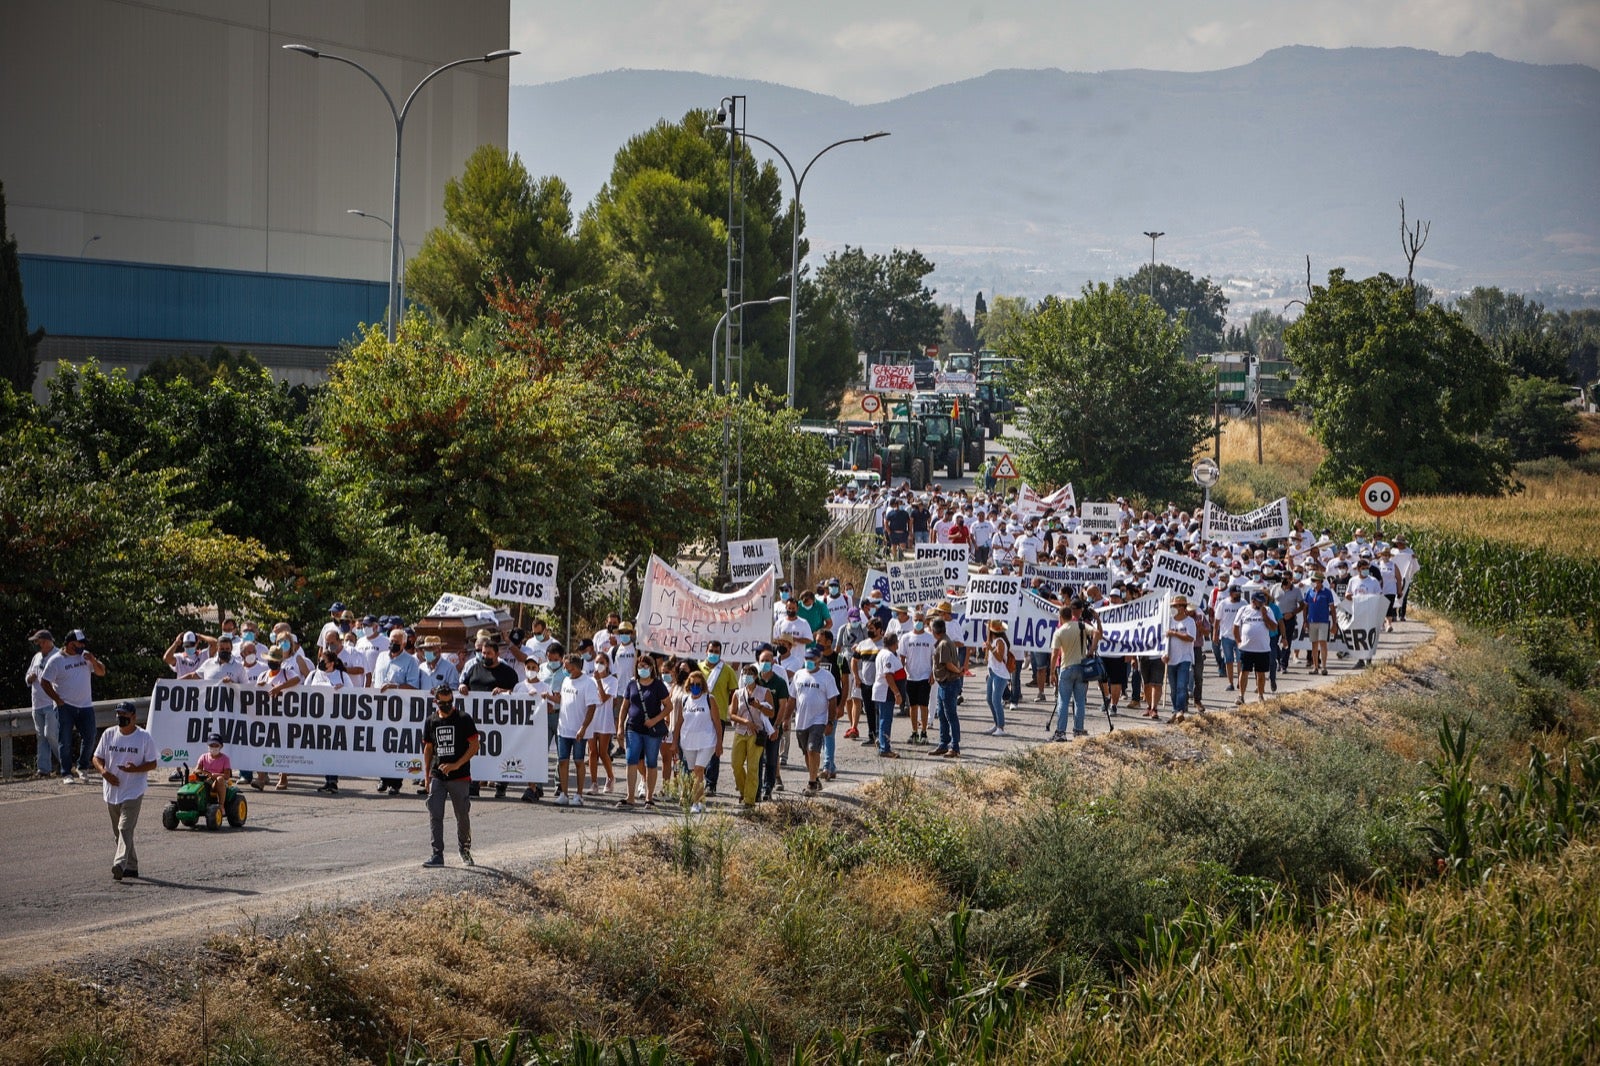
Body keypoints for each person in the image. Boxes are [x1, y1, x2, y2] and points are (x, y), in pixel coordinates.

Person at [93, 702, 158, 881]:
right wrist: (104, 772)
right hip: (112, 790)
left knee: (124, 827)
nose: (120, 718)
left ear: (133, 717)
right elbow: (96, 758)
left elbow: (153, 763)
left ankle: (119, 863)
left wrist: (135, 769)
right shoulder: (109, 734)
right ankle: (131, 867)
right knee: (120, 833)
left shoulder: (143, 737)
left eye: (124, 715)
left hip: (133, 790)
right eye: (118, 714)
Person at [422, 686, 479, 868]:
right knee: (435, 813)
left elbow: (474, 745)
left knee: (462, 815)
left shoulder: (463, 719)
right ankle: (437, 854)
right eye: (442, 703)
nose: (446, 706)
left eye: (449, 702)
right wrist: (427, 776)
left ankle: (464, 849)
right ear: (435, 702)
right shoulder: (431, 721)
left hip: (459, 776)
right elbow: (428, 748)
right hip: (438, 775)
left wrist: (456, 765)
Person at [41, 629, 105, 783]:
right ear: (70, 644)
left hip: (85, 705)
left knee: (90, 736)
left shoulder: (85, 656)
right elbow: (44, 682)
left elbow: (101, 672)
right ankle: (66, 773)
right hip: (65, 706)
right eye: (80, 643)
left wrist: (93, 660)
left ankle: (82, 767)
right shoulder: (56, 660)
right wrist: (57, 700)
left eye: (83, 643)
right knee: (65, 740)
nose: (83, 646)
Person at [620, 657, 671, 808]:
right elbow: (624, 706)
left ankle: (649, 797)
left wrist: (655, 720)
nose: (642, 669)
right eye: (640, 666)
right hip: (633, 728)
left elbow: (669, 706)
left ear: (651, 667)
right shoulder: (632, 684)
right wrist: (619, 727)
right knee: (631, 760)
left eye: (645, 666)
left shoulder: (658, 685)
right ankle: (630, 797)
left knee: (651, 762)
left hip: (651, 731)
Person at [791, 646, 840, 792]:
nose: (809, 661)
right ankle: (815, 777)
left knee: (813, 749)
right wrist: (786, 719)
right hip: (801, 721)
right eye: (807, 658)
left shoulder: (827, 677)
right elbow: (792, 698)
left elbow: (832, 700)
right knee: (807, 752)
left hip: (819, 720)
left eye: (812, 658)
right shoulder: (798, 675)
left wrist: (830, 721)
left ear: (819, 659)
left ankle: (811, 783)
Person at [554, 653, 600, 806]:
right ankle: (564, 794)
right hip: (563, 729)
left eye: (568, 668)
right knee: (562, 761)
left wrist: (583, 727)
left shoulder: (588, 683)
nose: (565, 670)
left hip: (579, 730)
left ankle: (579, 795)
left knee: (579, 761)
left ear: (576, 667)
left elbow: (592, 707)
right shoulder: (566, 680)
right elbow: (562, 700)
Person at [1050, 601, 1100, 739]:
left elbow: (1054, 654)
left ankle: (1061, 732)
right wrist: (1091, 650)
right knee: (1079, 701)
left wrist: (1052, 672)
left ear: (1061, 617)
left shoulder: (1059, 632)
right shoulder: (1081, 625)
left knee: (1063, 701)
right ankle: (1078, 730)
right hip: (1081, 667)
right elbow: (1097, 633)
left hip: (1066, 667)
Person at [674, 669, 721, 814]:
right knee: (694, 772)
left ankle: (696, 802)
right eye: (692, 684)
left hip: (707, 741)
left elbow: (717, 723)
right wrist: (674, 742)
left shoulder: (709, 699)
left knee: (699, 769)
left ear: (703, 685)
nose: (695, 687)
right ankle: (699, 800)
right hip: (688, 742)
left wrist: (719, 743)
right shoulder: (684, 700)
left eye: (698, 684)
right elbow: (679, 722)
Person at [729, 664, 774, 807]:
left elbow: (771, 713)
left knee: (753, 766)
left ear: (755, 676)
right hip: (741, 731)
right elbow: (731, 714)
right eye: (744, 673)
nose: (746, 676)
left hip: (756, 732)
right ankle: (743, 791)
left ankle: (750, 799)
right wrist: (745, 721)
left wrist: (759, 706)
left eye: (749, 674)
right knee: (736, 764)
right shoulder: (738, 693)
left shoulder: (765, 692)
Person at [1234, 589, 1279, 703]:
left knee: (1261, 673)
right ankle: (1241, 696)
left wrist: (1265, 616)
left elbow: (1274, 627)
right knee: (1244, 671)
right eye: (1260, 601)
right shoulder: (1244, 610)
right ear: (1253, 601)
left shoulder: (1267, 610)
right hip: (1246, 648)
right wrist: (1238, 642)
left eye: (1263, 601)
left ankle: (1260, 695)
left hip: (1262, 648)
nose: (1262, 603)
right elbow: (1235, 627)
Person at [25, 629, 59, 777]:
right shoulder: (37, 657)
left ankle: (65, 763)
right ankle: (43, 770)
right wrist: (30, 678)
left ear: (47, 641)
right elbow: (27, 676)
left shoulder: (58, 655)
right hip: (37, 703)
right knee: (41, 737)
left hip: (52, 703)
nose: (38, 645)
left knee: (51, 734)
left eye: (39, 642)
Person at [929, 618, 963, 758]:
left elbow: (948, 664)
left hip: (949, 683)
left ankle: (955, 747)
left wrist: (958, 672)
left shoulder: (944, 643)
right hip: (943, 683)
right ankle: (943, 743)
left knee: (950, 716)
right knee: (942, 715)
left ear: (934, 630)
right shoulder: (944, 641)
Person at [899, 612, 935, 745]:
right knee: (913, 706)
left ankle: (924, 732)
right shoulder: (906, 638)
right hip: (910, 677)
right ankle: (914, 731)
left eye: (920, 620)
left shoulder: (930, 638)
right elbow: (902, 657)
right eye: (916, 619)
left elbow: (934, 657)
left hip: (925, 676)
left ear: (924, 621)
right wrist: (901, 674)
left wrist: (933, 673)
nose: (918, 622)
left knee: (924, 705)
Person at [1163, 595, 1198, 724]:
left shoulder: (1189, 622)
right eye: (1173, 606)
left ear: (1183, 607)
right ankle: (1175, 710)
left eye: (1177, 606)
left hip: (1185, 658)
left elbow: (1190, 638)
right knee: (1173, 688)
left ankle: (1180, 711)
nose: (1174, 608)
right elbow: (1163, 640)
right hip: (1171, 658)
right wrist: (1163, 654)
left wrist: (1174, 633)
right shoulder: (1168, 621)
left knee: (1181, 686)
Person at [871, 631, 904, 758]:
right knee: (886, 719)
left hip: (882, 691)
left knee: (882, 719)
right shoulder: (888, 655)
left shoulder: (883, 653)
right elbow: (889, 675)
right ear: (895, 643)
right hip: (885, 691)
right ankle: (885, 748)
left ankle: (881, 742)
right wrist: (897, 693)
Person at [1301, 572, 1337, 675]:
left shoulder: (1327, 592)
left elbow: (1332, 609)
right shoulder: (1309, 591)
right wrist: (1305, 621)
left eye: (1314, 580)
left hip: (1323, 621)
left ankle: (1324, 667)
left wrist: (1334, 623)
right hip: (1312, 621)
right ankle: (1315, 667)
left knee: (1323, 643)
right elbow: (1305, 607)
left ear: (1320, 581)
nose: (1312, 582)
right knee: (1314, 644)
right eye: (1312, 580)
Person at [982, 620, 1013, 738]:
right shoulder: (994, 641)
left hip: (1000, 674)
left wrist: (991, 648)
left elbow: (999, 658)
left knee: (995, 700)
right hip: (992, 673)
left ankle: (1001, 726)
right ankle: (996, 724)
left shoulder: (1000, 641)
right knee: (989, 699)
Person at [195, 732, 233, 808]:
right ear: (208, 746)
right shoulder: (203, 757)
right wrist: (203, 773)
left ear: (221, 746)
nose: (213, 747)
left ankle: (221, 805)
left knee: (220, 779)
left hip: (218, 782)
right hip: (206, 780)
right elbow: (197, 770)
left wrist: (212, 775)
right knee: (192, 778)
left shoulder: (225, 759)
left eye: (216, 745)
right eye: (211, 745)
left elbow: (227, 775)